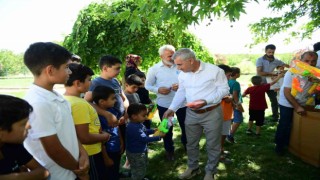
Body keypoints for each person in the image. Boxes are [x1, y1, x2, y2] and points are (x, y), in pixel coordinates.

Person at [23, 42, 89, 180]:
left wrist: (82, 153)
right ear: (50, 70)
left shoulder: (56, 95)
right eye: (66, 67)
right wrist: (79, 170)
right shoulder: (38, 103)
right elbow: (54, 149)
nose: (70, 72)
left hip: (71, 170)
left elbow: (68, 131)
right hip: (59, 175)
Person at [163, 48, 229, 180]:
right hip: (191, 113)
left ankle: (210, 171)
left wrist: (206, 101)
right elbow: (181, 92)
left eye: (180, 64)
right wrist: (172, 108)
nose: (178, 68)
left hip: (212, 112)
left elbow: (224, 90)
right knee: (191, 143)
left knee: (213, 144)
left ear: (191, 61)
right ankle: (193, 168)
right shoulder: (182, 74)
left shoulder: (215, 71)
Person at [84, 55, 129, 178]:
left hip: (119, 123)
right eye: (117, 68)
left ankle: (116, 171)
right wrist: (106, 114)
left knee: (120, 148)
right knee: (109, 152)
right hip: (107, 125)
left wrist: (125, 113)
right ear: (105, 68)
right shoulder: (96, 83)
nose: (119, 71)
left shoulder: (115, 81)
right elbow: (87, 102)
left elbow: (123, 98)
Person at [64, 63, 110, 180]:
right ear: (78, 83)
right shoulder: (79, 104)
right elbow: (84, 137)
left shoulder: (65, 99)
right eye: (89, 79)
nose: (91, 82)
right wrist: (104, 136)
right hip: (90, 152)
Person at [145, 44, 187, 160]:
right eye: (170, 56)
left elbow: (189, 81)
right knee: (166, 128)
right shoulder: (154, 69)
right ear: (161, 56)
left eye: (174, 55)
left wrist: (181, 85)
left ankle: (187, 147)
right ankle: (169, 150)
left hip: (182, 104)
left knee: (186, 127)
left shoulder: (181, 66)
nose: (173, 58)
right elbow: (147, 85)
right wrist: (158, 89)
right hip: (165, 104)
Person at [275, 51, 318, 155]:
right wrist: (297, 107)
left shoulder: (316, 73)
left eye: (313, 61)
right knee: (285, 124)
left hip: (304, 101)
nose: (310, 63)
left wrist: (317, 82)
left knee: (297, 124)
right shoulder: (292, 72)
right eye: (306, 61)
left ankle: (292, 144)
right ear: (300, 61)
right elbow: (286, 92)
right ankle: (279, 146)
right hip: (287, 101)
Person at [0, 95, 49, 179]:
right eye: (23, 124)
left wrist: (16, 177)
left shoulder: (13, 146)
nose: (29, 126)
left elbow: (43, 172)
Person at [126, 103, 165, 180]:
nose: (146, 117)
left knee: (139, 166)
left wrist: (153, 131)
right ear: (134, 116)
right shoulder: (134, 127)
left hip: (139, 151)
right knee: (139, 168)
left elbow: (144, 131)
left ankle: (138, 176)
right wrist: (159, 137)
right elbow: (144, 139)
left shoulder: (137, 124)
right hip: (137, 153)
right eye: (143, 115)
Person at [93, 86, 123, 180]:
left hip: (116, 147)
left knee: (115, 170)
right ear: (102, 101)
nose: (116, 100)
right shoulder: (97, 116)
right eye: (113, 98)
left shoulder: (113, 111)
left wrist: (121, 141)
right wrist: (105, 157)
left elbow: (117, 127)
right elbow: (100, 138)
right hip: (107, 151)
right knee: (107, 173)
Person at [256, 44, 289, 122]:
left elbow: (286, 66)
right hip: (260, 83)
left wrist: (295, 67)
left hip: (271, 83)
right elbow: (259, 73)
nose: (271, 54)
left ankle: (275, 116)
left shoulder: (277, 60)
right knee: (260, 101)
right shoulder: (260, 60)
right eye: (269, 52)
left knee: (274, 100)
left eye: (272, 52)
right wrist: (273, 74)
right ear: (265, 51)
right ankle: (260, 118)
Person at [217, 65, 233, 163]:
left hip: (226, 114)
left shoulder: (225, 84)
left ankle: (221, 150)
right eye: (229, 75)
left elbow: (228, 96)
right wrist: (229, 98)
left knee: (223, 135)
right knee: (219, 137)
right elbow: (225, 98)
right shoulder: (215, 85)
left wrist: (230, 97)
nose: (230, 77)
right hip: (219, 115)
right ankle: (219, 156)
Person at [226, 67, 244, 143]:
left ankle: (227, 134)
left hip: (228, 104)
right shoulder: (235, 83)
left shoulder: (228, 81)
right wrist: (239, 105)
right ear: (236, 74)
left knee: (230, 120)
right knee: (238, 119)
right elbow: (235, 96)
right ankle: (230, 136)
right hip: (234, 104)